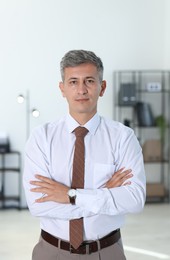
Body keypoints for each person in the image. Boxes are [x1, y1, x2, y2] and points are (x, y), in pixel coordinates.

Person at [23, 49, 146, 260]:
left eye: (89, 81)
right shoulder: (41, 138)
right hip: (51, 252)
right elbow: (37, 205)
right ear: (62, 89)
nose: (81, 89)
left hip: (106, 252)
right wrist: (104, 195)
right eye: (73, 82)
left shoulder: (123, 138)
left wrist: (71, 195)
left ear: (102, 87)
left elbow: (134, 200)